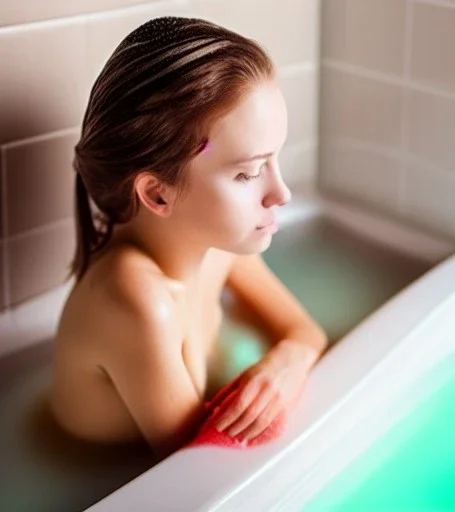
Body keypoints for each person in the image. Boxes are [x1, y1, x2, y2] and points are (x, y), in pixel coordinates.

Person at [49, 15, 328, 461]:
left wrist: (283, 366)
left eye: (274, 159)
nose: (281, 193)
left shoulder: (217, 246)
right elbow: (200, 468)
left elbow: (305, 333)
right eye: (248, 172)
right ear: (158, 193)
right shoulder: (135, 300)